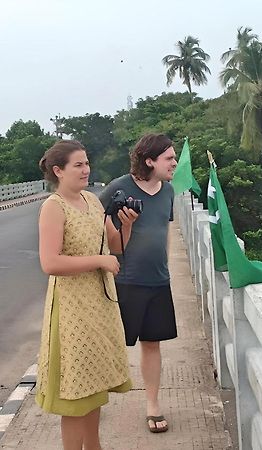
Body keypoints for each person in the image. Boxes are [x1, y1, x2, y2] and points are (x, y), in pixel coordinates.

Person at [36, 139, 139, 450]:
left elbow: (115, 247)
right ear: (59, 171)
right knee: (76, 395)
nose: (86, 169)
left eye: (86, 162)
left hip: (99, 304)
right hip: (72, 309)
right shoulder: (53, 207)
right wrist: (99, 261)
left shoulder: (92, 201)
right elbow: (50, 262)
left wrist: (127, 226)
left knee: (94, 388)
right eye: (78, 164)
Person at [99, 133, 178, 433]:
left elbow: (165, 231)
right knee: (111, 344)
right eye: (169, 158)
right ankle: (95, 399)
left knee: (152, 344)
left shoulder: (168, 191)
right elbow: (95, 223)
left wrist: (166, 264)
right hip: (124, 281)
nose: (173, 162)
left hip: (158, 281)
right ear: (150, 161)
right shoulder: (118, 188)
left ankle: (153, 406)